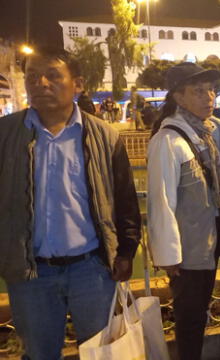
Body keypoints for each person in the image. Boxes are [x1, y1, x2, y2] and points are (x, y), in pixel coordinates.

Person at [0, 45, 141, 359]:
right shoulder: (6, 136)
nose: (40, 84)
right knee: (39, 352)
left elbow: (125, 201)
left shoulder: (104, 137)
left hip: (91, 269)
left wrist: (127, 250)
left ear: (77, 84)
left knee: (102, 352)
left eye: (52, 76)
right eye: (33, 77)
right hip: (31, 272)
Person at [147, 62, 220, 360]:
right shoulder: (168, 140)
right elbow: (160, 202)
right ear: (179, 97)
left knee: (198, 314)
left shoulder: (209, 132)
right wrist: (169, 256)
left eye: (212, 90)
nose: (209, 97)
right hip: (185, 254)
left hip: (206, 244)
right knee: (189, 320)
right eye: (199, 91)